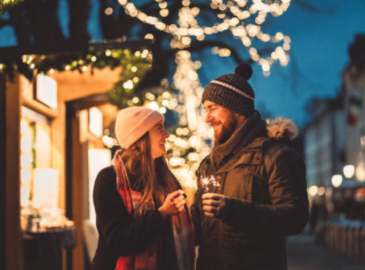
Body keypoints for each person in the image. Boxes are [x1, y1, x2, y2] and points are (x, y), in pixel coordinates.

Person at [190, 63, 309, 270]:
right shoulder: (209, 164)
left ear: (236, 108)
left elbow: (295, 217)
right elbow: (197, 224)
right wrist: (167, 217)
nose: (207, 118)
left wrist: (234, 210)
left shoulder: (276, 155)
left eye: (213, 109)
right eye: (206, 110)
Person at [92, 107, 195, 270]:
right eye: (159, 128)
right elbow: (118, 241)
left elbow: (183, 230)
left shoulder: (166, 178)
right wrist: (161, 214)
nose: (166, 134)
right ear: (140, 137)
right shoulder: (109, 179)